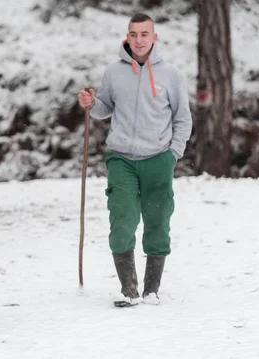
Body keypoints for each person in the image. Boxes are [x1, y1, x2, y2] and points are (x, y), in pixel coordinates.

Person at [78, 13, 192, 307]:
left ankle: (151, 290)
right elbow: (105, 108)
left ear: (154, 37)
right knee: (123, 219)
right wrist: (92, 104)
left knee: (157, 220)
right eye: (133, 34)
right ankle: (128, 289)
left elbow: (182, 118)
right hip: (122, 158)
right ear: (126, 37)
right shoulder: (114, 72)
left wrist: (172, 154)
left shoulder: (172, 75)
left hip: (158, 158)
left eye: (144, 34)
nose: (138, 40)